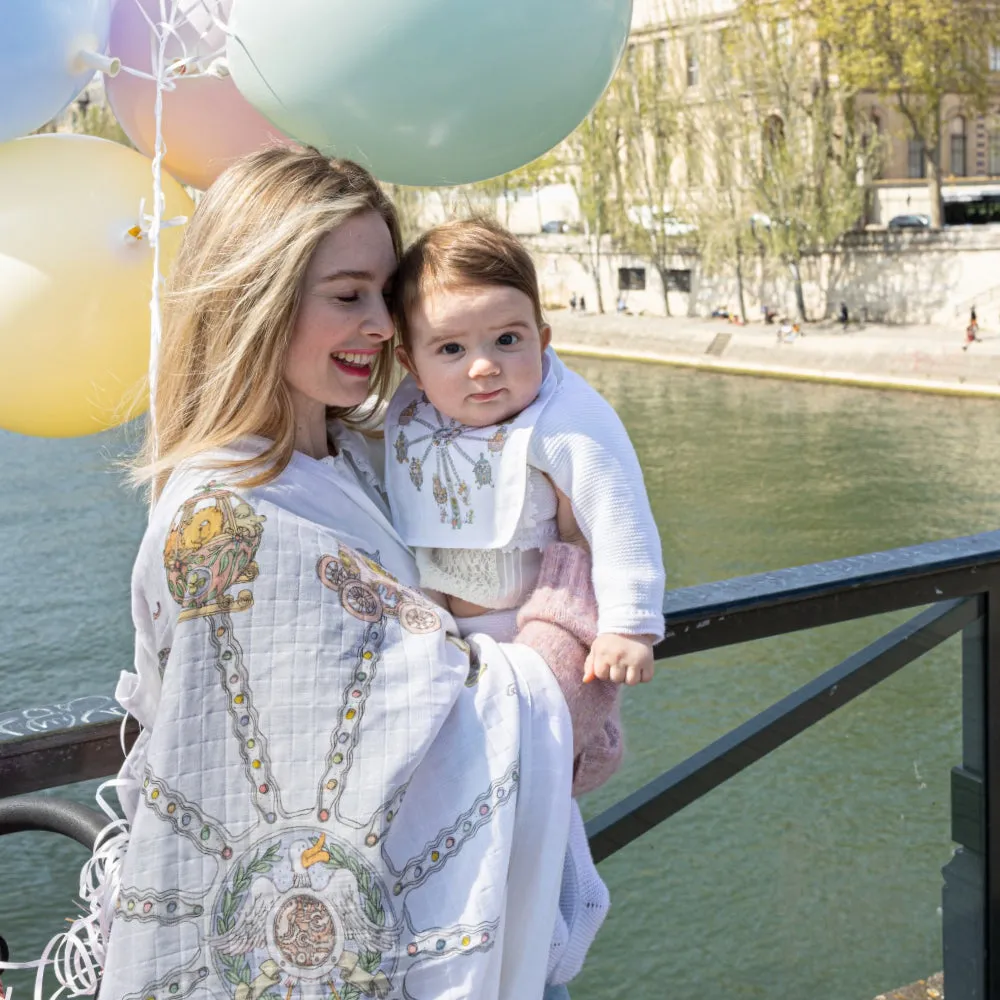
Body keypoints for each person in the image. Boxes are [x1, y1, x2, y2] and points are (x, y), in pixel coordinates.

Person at [44, 149, 627, 1000]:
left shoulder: (360, 458)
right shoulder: (231, 526)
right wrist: (566, 601)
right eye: (347, 295)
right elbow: (425, 736)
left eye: (385, 298)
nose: (385, 328)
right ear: (255, 299)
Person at [386, 217, 666, 686]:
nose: (484, 366)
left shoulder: (561, 417)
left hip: (539, 633)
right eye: (451, 348)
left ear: (543, 342)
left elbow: (618, 510)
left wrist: (629, 624)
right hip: (445, 637)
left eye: (508, 340)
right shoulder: (415, 413)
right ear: (412, 366)